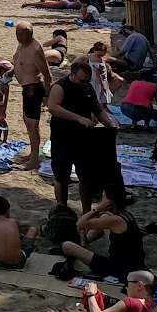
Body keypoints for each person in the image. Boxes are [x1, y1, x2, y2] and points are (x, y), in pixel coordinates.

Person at [47, 56, 115, 211]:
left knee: (86, 177)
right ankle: (62, 209)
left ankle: (86, 210)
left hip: (84, 139)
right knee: (61, 177)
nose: (84, 83)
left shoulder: (88, 88)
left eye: (87, 80)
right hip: (63, 138)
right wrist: (78, 118)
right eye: (81, 80)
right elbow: (53, 107)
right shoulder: (60, 87)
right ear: (72, 74)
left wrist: (108, 123)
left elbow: (97, 110)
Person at [60, 178, 147, 282]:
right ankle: (82, 242)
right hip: (134, 264)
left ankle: (80, 245)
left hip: (119, 269)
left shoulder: (115, 220)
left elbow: (80, 223)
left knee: (67, 246)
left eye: (102, 198)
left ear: (109, 202)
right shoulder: (126, 215)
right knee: (103, 218)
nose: (101, 201)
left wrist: (97, 209)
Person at [12, 24, 53, 172]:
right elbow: (20, 61)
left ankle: (34, 160)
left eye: (21, 34)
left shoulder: (35, 50)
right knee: (27, 121)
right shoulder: (22, 45)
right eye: (16, 33)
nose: (17, 36)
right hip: (26, 88)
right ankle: (32, 154)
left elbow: (48, 75)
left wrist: (47, 97)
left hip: (34, 89)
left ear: (29, 34)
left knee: (32, 125)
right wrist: (11, 71)